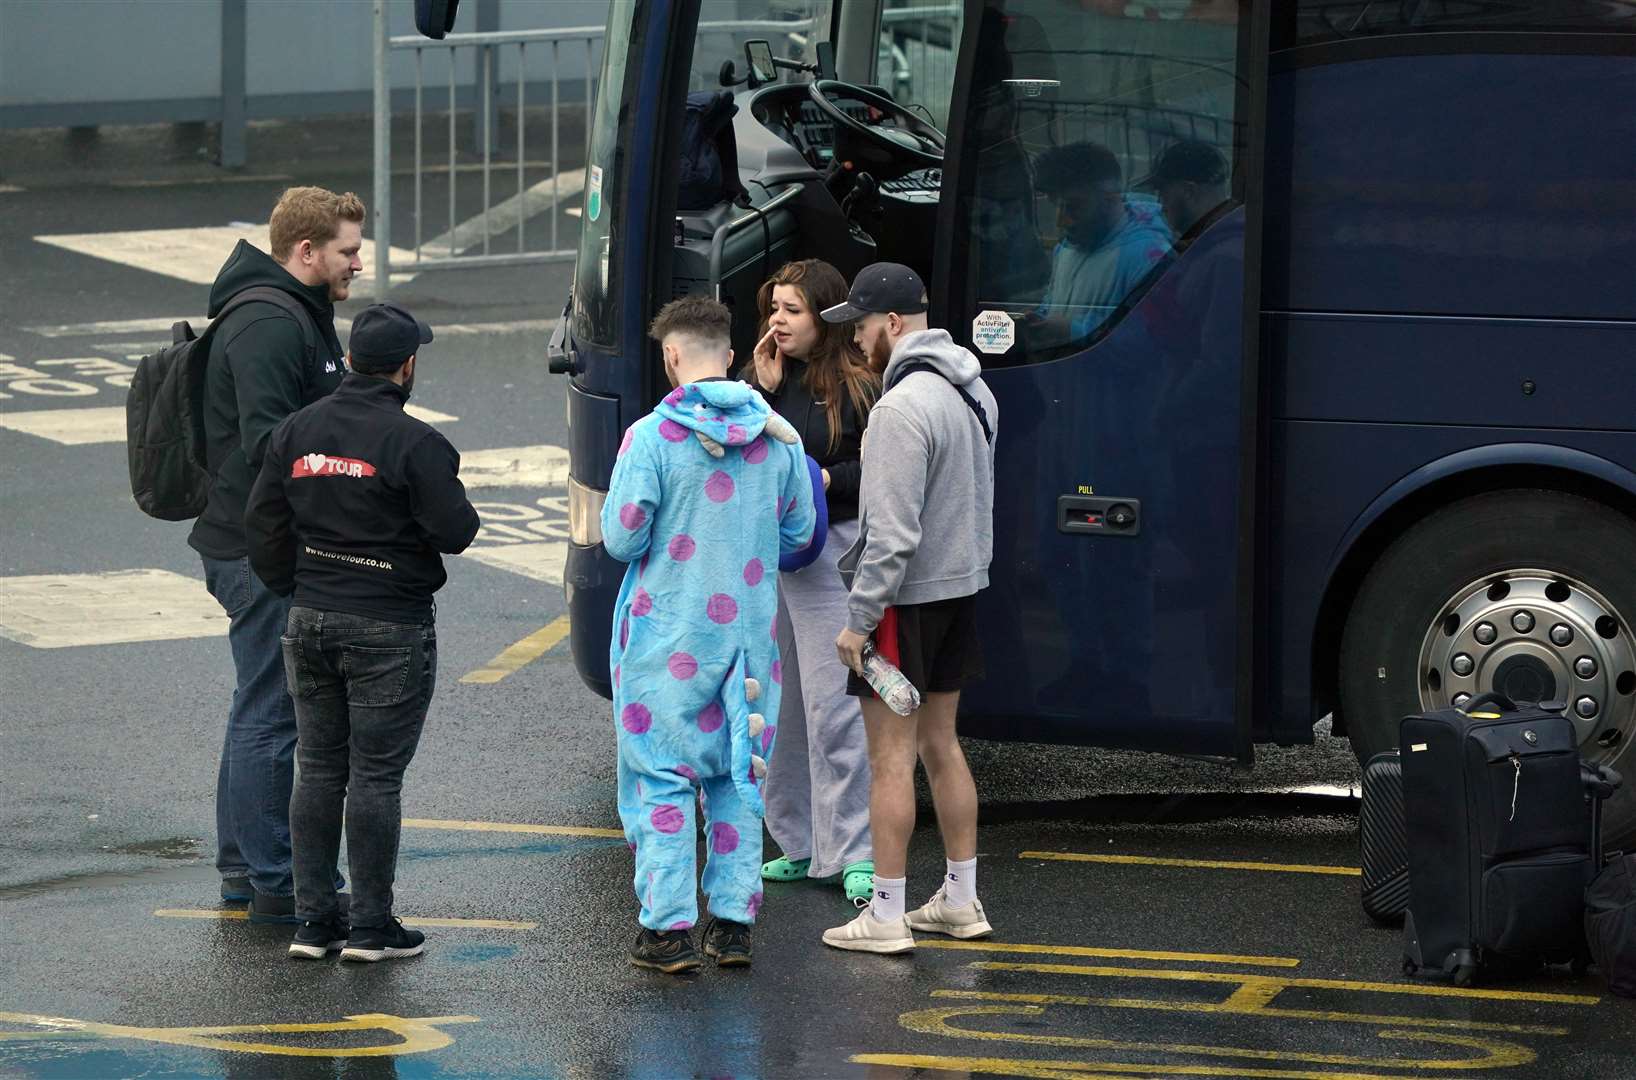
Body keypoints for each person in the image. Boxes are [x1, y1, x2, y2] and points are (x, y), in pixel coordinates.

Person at [246, 302, 479, 962]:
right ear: (406, 367)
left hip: (309, 618)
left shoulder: (296, 431)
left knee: (317, 770)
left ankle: (314, 923)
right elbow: (457, 532)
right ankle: (372, 927)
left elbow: (262, 524)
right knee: (375, 777)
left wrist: (299, 587)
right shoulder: (417, 444)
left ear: (350, 361)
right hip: (388, 624)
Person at [603, 296, 816, 973]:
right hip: (748, 637)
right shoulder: (780, 438)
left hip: (666, 636)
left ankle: (665, 931)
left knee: (662, 776)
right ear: (728, 354)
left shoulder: (650, 438)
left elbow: (621, 536)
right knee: (736, 776)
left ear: (672, 357)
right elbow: (800, 535)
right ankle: (732, 926)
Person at [189, 186, 364, 923]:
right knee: (273, 713)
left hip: (251, 538)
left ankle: (246, 871)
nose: (358, 263)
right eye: (348, 251)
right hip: (256, 547)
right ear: (306, 252)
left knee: (256, 705)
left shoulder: (293, 311)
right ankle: (274, 882)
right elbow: (269, 440)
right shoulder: (268, 323)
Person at [817, 263, 999, 954]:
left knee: (889, 758)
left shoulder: (898, 410)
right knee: (941, 746)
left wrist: (859, 621)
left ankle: (886, 913)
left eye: (861, 326)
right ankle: (959, 897)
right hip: (959, 589)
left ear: (893, 323)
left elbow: (890, 536)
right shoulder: (972, 390)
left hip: (902, 605)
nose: (857, 341)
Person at [740, 259, 880, 906]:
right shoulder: (768, 379)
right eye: (773, 309)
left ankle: (853, 853)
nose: (776, 321)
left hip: (832, 556)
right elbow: (744, 455)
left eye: (790, 310)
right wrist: (762, 390)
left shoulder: (859, 384)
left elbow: (880, 469)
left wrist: (829, 481)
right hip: (778, 557)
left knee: (834, 711)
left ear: (824, 316)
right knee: (776, 708)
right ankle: (798, 842)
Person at [1030, 141, 1173, 344]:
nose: (1060, 222)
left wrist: (1072, 331)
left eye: (1074, 207)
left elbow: (1154, 343)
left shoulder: (1150, 259)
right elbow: (1054, 303)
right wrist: (1040, 319)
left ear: (1110, 199)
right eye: (1057, 206)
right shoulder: (1067, 247)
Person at [1139, 139, 1231, 238]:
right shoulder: (1228, 235)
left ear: (1189, 192)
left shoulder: (1218, 247)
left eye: (1163, 192)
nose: (1160, 203)